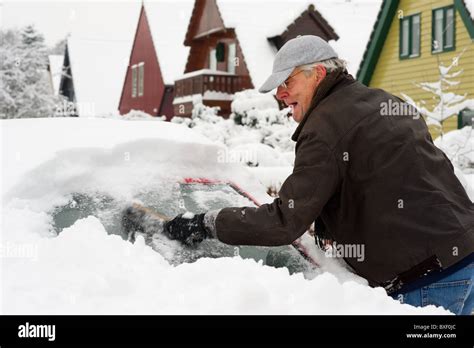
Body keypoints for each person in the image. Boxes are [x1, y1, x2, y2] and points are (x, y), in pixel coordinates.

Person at [163, 35, 474, 315]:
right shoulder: (388, 103)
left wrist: (207, 223)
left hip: (427, 282)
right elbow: (410, 179)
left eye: (288, 82)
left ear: (319, 74)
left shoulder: (325, 126)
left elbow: (284, 222)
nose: (281, 95)